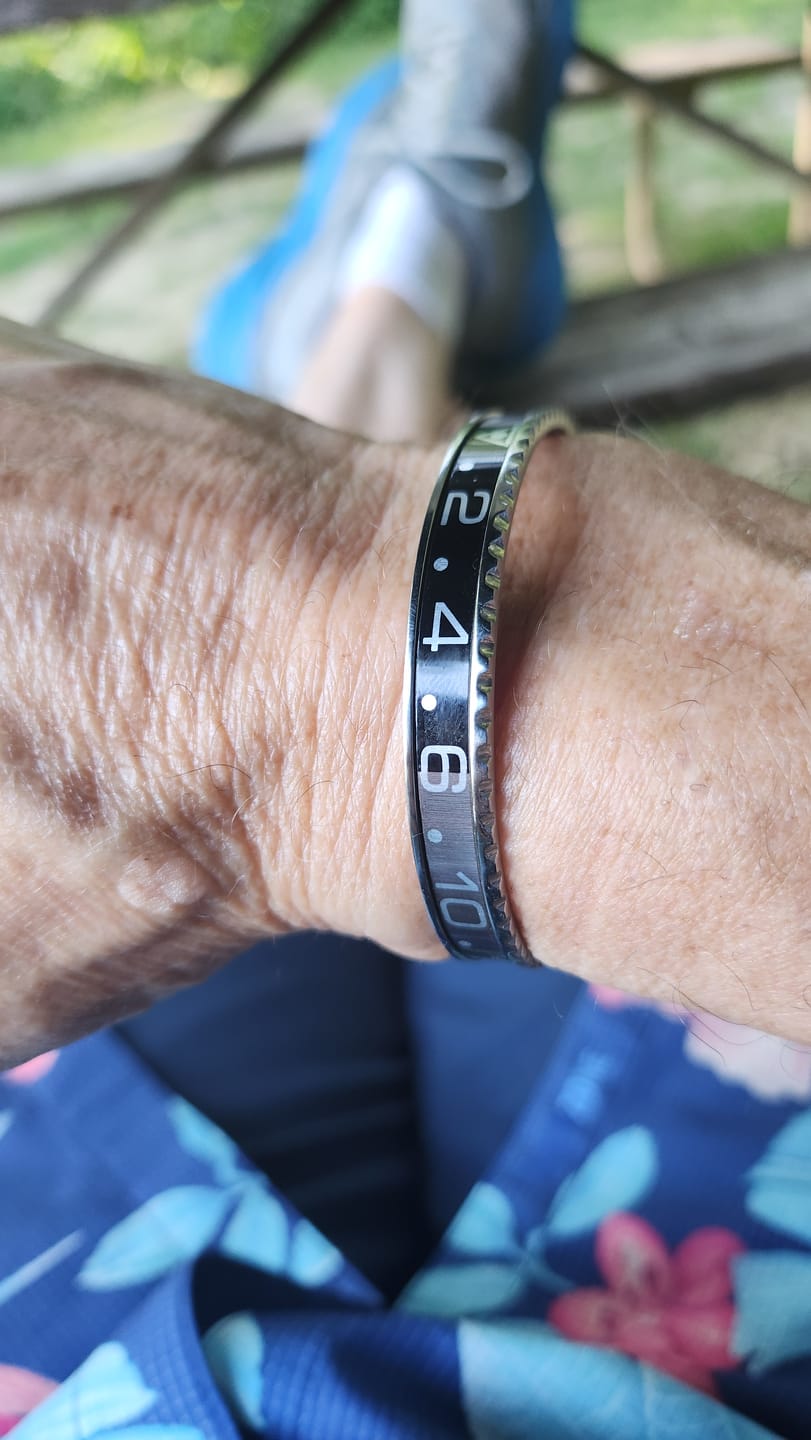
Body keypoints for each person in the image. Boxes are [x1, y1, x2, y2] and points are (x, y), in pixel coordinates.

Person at [1, 4, 811, 1438]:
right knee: (330, 716)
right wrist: (330, 621)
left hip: (81, 1291)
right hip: (717, 1279)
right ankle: (396, 288)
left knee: (221, 775)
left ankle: (381, 307)